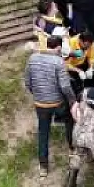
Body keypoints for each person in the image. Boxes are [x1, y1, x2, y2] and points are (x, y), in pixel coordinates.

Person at [25, 35, 76, 178]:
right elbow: (65, 86)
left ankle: (43, 167)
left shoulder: (32, 59)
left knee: (43, 132)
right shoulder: (58, 62)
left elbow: (27, 82)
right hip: (57, 103)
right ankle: (72, 150)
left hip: (40, 104)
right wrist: (73, 101)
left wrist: (37, 95)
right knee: (70, 120)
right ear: (58, 48)